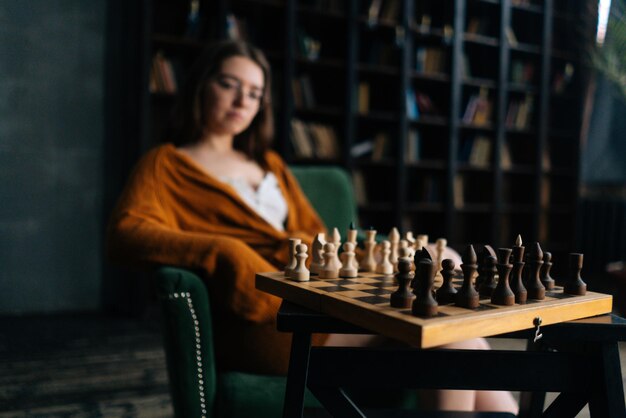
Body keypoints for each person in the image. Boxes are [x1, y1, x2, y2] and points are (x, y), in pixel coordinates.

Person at [107, 40, 517, 414]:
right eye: (229, 85)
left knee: (454, 335)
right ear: (202, 87)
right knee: (447, 329)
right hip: (265, 322)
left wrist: (404, 256)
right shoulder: (166, 163)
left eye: (254, 93)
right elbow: (126, 232)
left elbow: (320, 242)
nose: (241, 101)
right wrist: (221, 250)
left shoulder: (269, 164)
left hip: (317, 298)